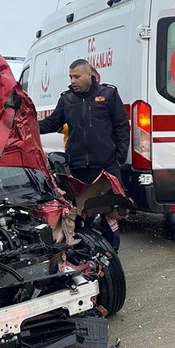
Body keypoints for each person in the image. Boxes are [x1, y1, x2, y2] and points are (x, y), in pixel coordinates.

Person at [39, 59, 130, 251]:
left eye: (77, 76)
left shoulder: (108, 94)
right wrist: (28, 125)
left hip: (107, 168)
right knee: (81, 218)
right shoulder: (67, 99)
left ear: (91, 75)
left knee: (111, 218)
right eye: (71, 77)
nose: (73, 81)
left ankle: (111, 258)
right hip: (79, 170)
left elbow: (122, 127)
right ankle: (85, 256)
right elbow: (51, 123)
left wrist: (119, 158)